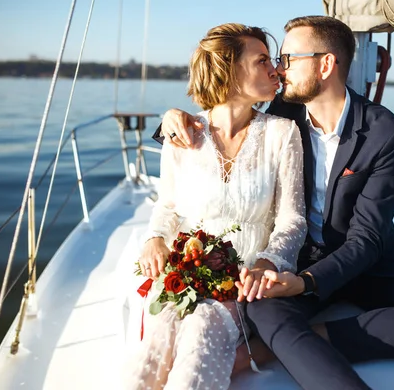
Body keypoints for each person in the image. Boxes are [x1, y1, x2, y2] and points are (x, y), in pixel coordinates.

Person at [159, 15, 394, 390]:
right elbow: (224, 119)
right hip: (297, 256)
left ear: (325, 64)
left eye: (288, 59)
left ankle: (297, 340)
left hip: (367, 261)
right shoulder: (284, 113)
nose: (279, 69)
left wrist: (306, 284)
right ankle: (295, 343)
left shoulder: (385, 132)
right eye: (275, 60)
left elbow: (367, 238)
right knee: (261, 302)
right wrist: (172, 120)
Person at [126, 23, 307, 390]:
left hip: (243, 283)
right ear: (229, 69)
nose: (275, 69)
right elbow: (169, 206)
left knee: (201, 330)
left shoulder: (281, 133)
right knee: (156, 342)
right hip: (184, 272)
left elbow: (293, 218)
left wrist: (267, 262)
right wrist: (155, 238)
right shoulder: (182, 133)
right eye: (261, 61)